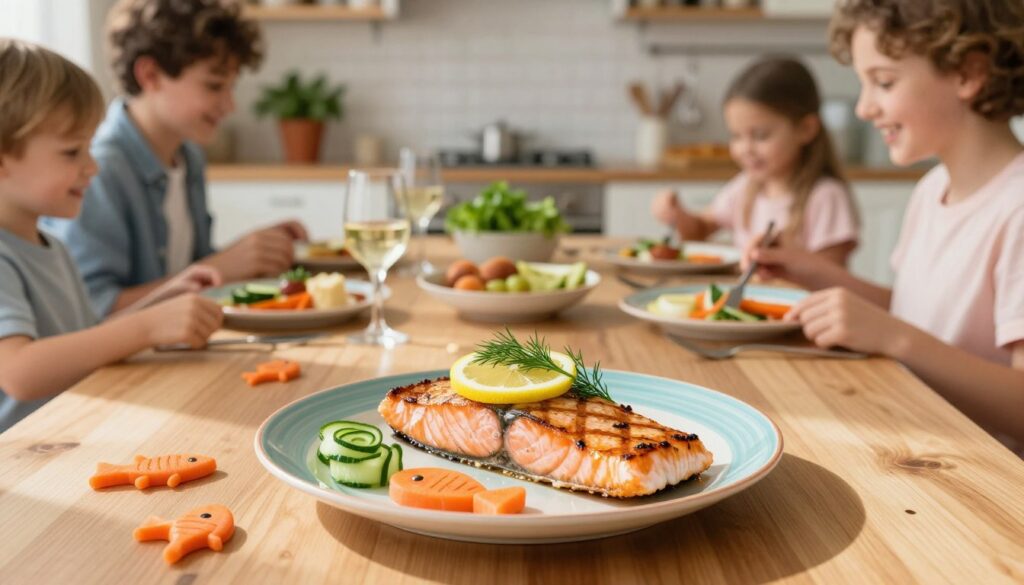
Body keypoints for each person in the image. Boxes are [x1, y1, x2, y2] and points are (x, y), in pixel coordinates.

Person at [751, 0, 1024, 453]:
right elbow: (919, 313)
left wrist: (894, 338)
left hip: (987, 479)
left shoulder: (1016, 208)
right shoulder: (932, 190)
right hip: (918, 444)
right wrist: (813, 272)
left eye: (883, 82)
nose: (863, 108)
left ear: (968, 74)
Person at [0, 39, 223, 433]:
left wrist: (164, 297)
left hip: (70, 437)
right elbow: (19, 372)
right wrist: (147, 327)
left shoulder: (53, 247)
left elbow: (87, 340)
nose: (93, 167)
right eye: (72, 152)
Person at [45, 0, 308, 318]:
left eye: (231, 87)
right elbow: (91, 311)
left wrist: (252, 254)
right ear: (150, 74)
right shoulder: (99, 170)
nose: (230, 105)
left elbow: (188, 269)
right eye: (214, 86)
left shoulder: (188, 156)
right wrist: (221, 266)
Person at [652, 57, 859, 266]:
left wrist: (789, 258)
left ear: (806, 129)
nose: (746, 149)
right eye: (736, 136)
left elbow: (833, 276)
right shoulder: (745, 186)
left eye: (760, 136)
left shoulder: (826, 196)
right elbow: (699, 231)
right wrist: (676, 215)